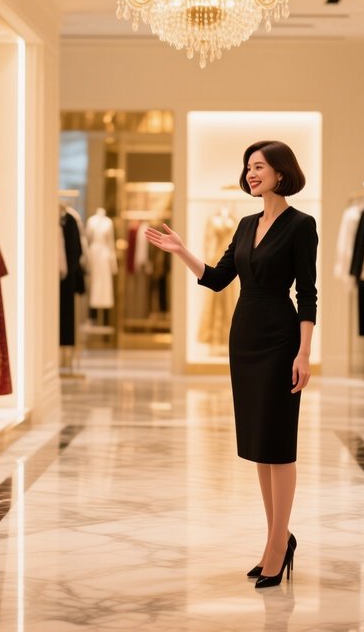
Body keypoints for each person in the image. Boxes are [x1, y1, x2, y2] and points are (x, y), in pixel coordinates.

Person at [145, 140, 318, 589]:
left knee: (280, 443)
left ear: (281, 173)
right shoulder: (244, 224)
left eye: (258, 166)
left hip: (281, 339)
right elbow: (218, 280)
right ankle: (275, 539)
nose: (250, 173)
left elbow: (308, 293)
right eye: (247, 168)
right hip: (244, 338)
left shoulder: (302, 225)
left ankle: (279, 546)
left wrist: (304, 352)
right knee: (260, 444)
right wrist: (182, 250)